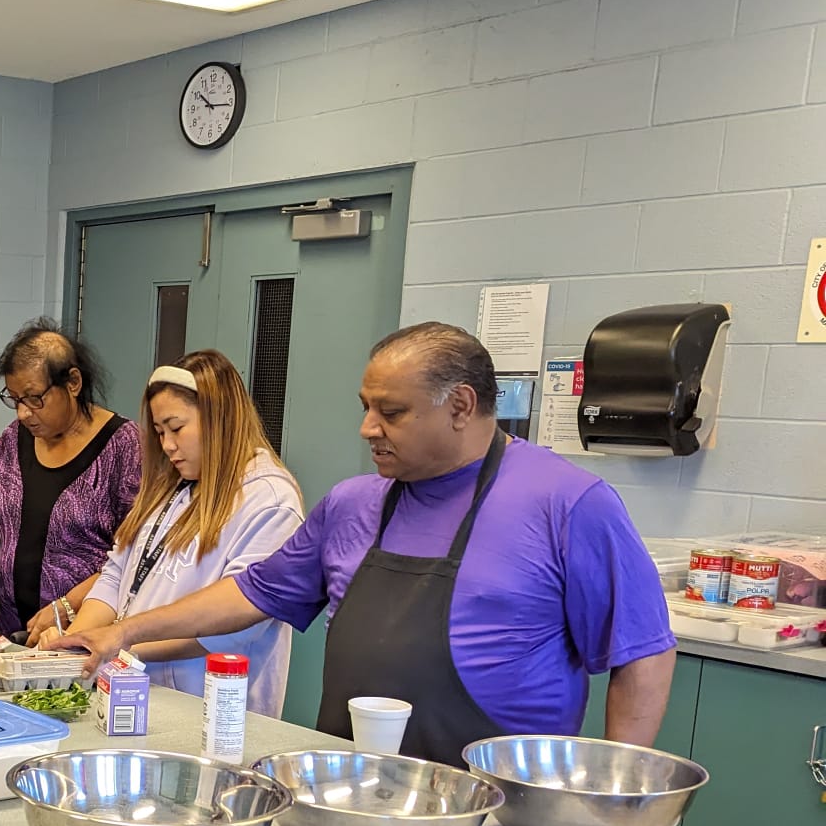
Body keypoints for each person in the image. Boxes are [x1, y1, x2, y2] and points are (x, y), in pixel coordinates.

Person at [62, 323, 677, 762]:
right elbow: (251, 594)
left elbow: (642, 652)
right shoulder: (353, 504)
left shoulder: (567, 503)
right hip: (352, 787)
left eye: (392, 412)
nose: (366, 428)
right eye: (365, 407)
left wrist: (612, 791)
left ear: (461, 406)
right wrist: (125, 631)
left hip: (499, 803)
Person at [29, 351, 304, 715]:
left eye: (176, 428)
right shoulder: (171, 486)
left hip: (211, 714)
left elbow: (234, 627)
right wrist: (77, 643)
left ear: (220, 417)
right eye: (160, 432)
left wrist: (120, 643)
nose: (168, 445)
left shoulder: (269, 499)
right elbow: (116, 576)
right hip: (137, 696)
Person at [0, 321, 142, 638]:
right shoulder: (12, 440)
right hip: (16, 635)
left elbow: (134, 557)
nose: (23, 413)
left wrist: (68, 607)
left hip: (84, 635)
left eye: (34, 398)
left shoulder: (125, 446)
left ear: (73, 383)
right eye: (15, 399)